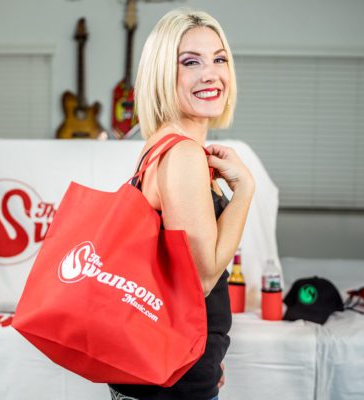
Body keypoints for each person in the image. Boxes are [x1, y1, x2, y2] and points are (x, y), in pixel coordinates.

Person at [108, 8, 256, 400]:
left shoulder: (158, 146)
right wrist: (244, 191)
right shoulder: (184, 154)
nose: (211, 73)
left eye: (219, 58)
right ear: (163, 73)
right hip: (171, 380)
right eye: (191, 62)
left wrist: (205, 354)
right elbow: (201, 280)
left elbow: (173, 275)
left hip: (164, 364)